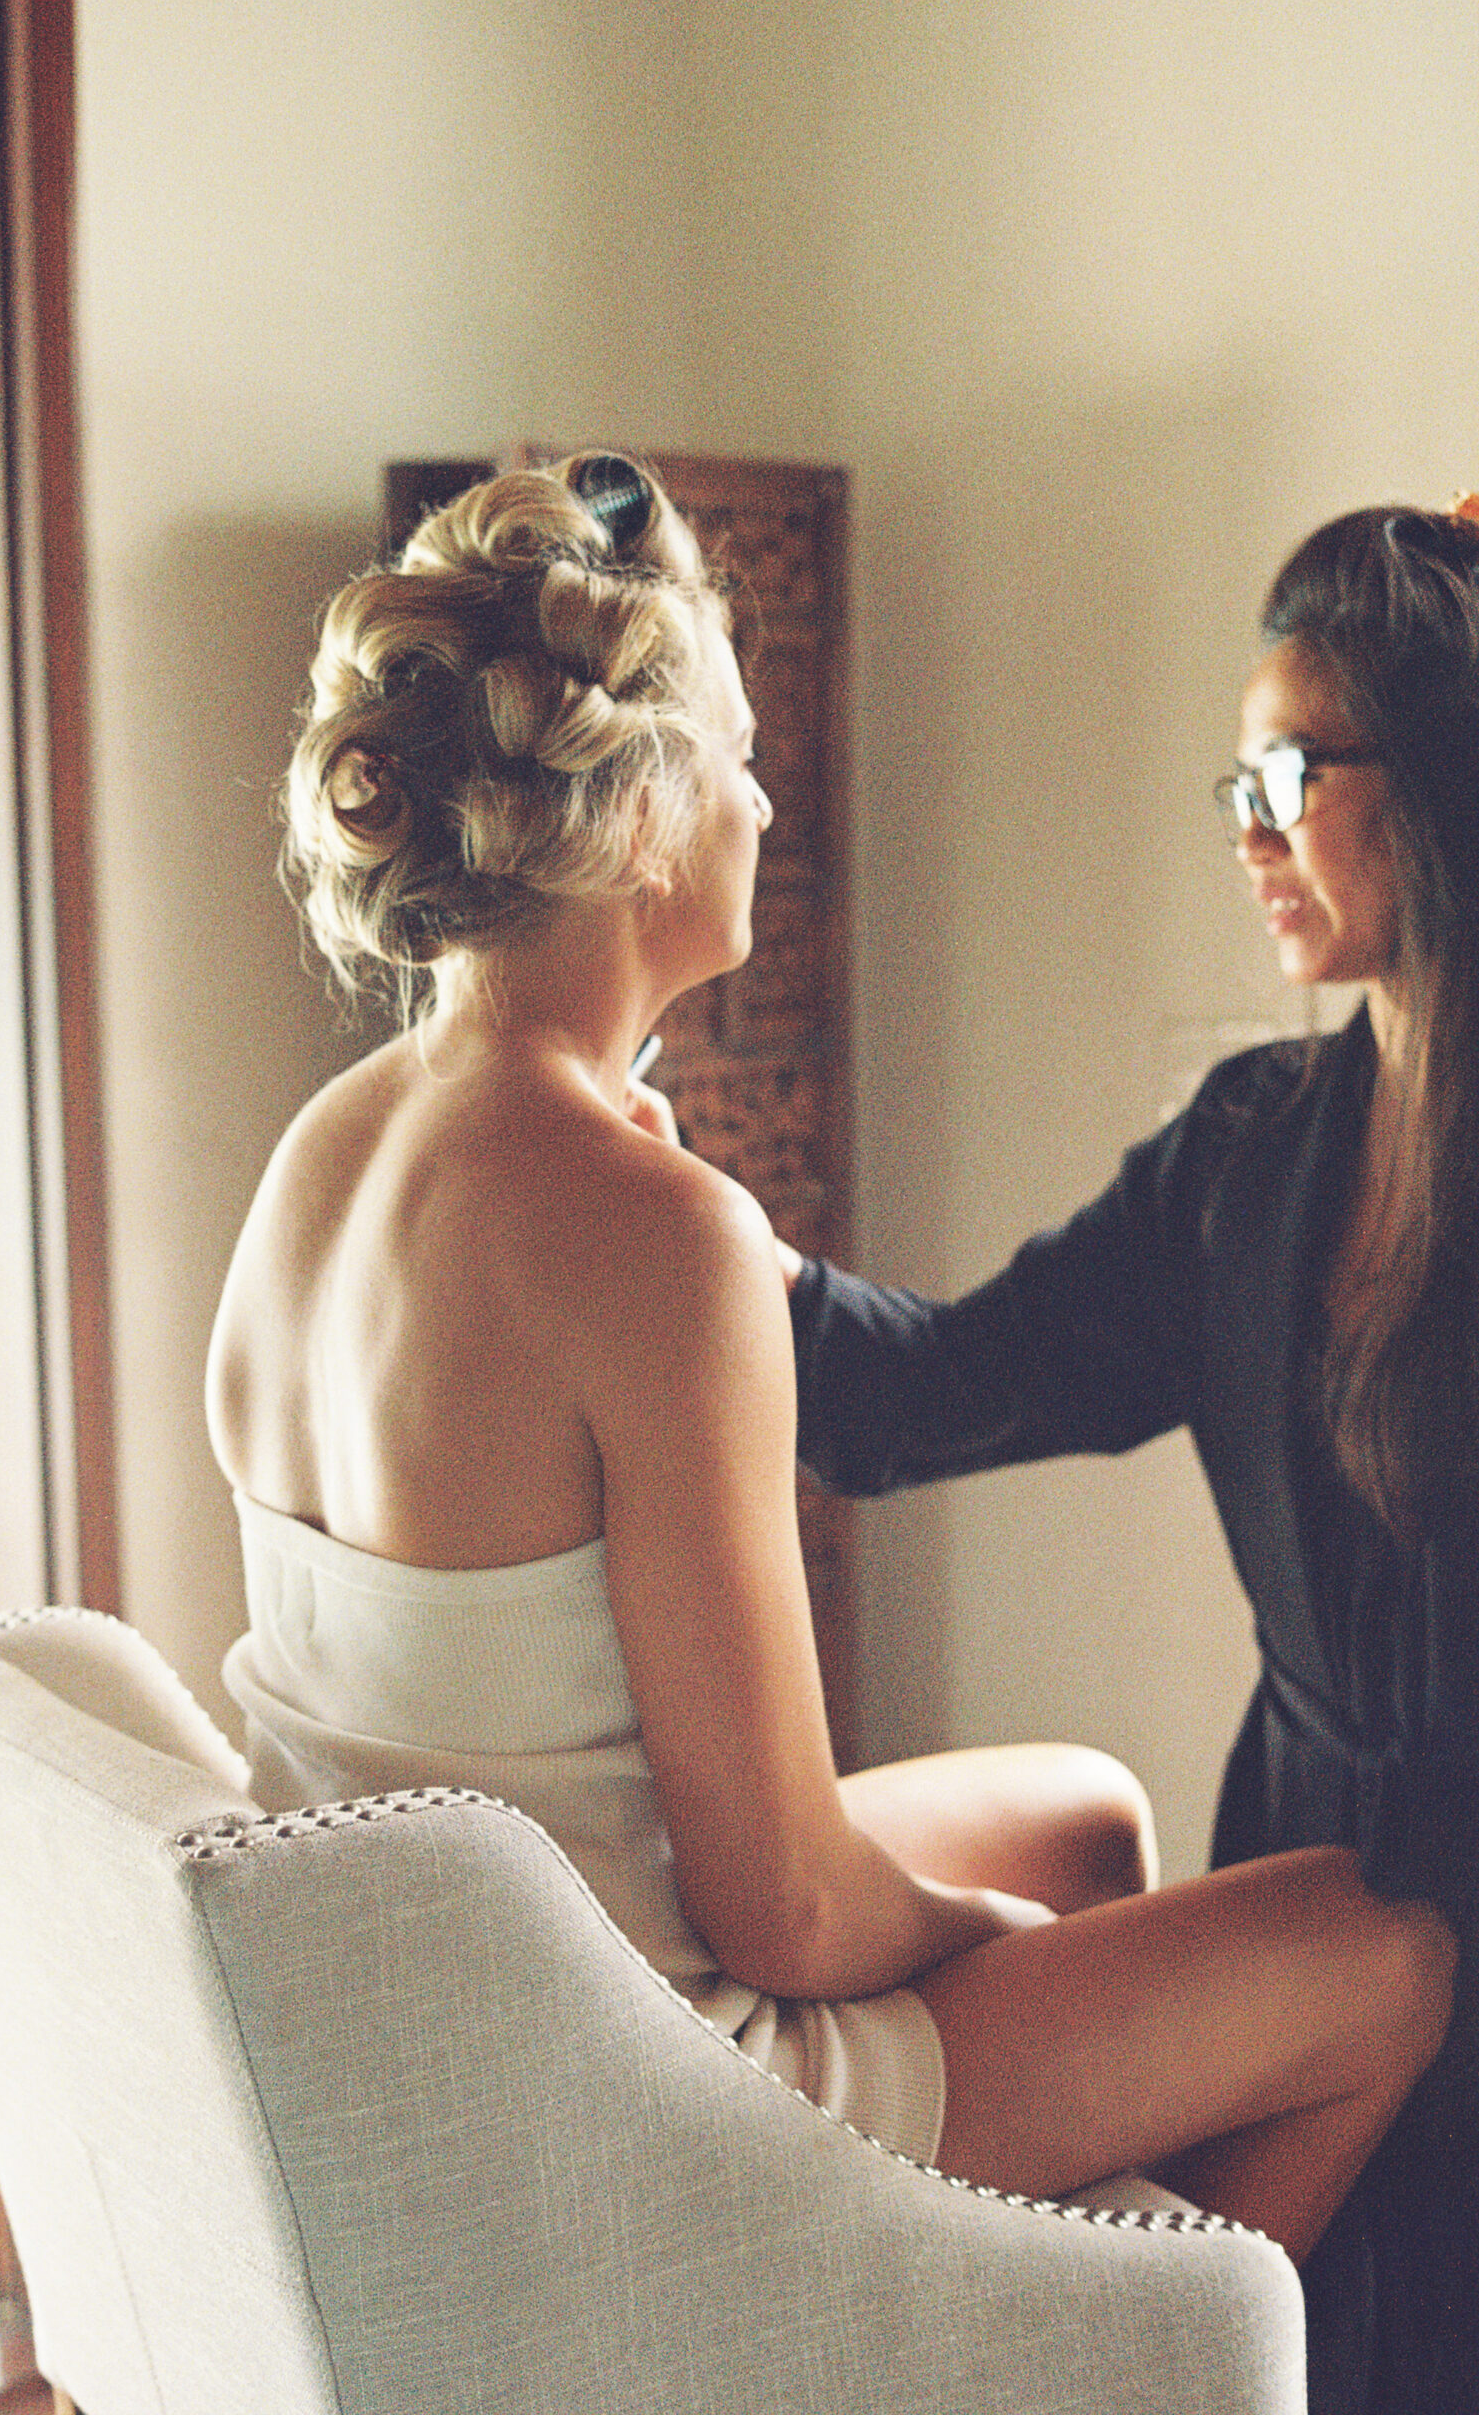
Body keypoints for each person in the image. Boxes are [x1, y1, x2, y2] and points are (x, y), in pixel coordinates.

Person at [208, 455, 1453, 2285]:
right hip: (639, 2046)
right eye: (734, 753)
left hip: (453, 2001)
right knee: (1386, 1961)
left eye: (1288, 776)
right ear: (639, 819)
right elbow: (782, 1905)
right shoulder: (1238, 1155)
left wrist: (698, 1242)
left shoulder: (330, 1143)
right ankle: (1122, 2355)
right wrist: (972, 1933)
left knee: (1094, 1820)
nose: (769, 793)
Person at [780, 495, 1479, 2411]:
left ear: (1431, 779)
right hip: (1308, 1924)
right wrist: (672, 1235)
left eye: (1286, 766)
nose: (1246, 826)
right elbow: (908, 1395)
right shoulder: (1244, 1157)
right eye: (1233, 777)